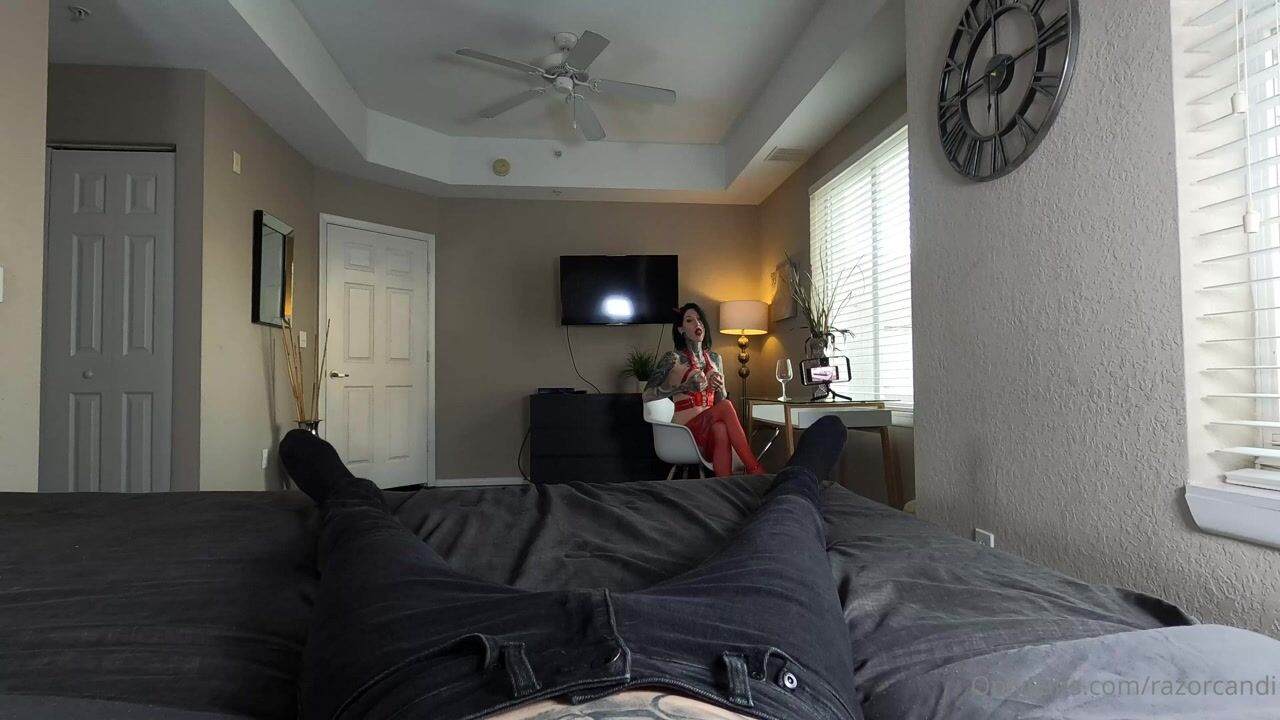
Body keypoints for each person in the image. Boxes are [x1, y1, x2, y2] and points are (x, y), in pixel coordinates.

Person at [279, 415, 860, 720]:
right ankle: (799, 477)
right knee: (785, 533)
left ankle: (346, 493)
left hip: (435, 678)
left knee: (368, 547)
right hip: (753, 675)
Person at [643, 303, 766, 477]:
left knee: (721, 428)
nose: (697, 324)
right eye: (689, 320)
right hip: (684, 433)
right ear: (681, 329)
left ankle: (724, 484)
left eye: (699, 320)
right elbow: (646, 395)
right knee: (726, 407)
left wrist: (720, 386)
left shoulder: (715, 358)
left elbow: (720, 400)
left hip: (709, 431)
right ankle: (754, 469)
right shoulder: (672, 358)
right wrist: (684, 387)